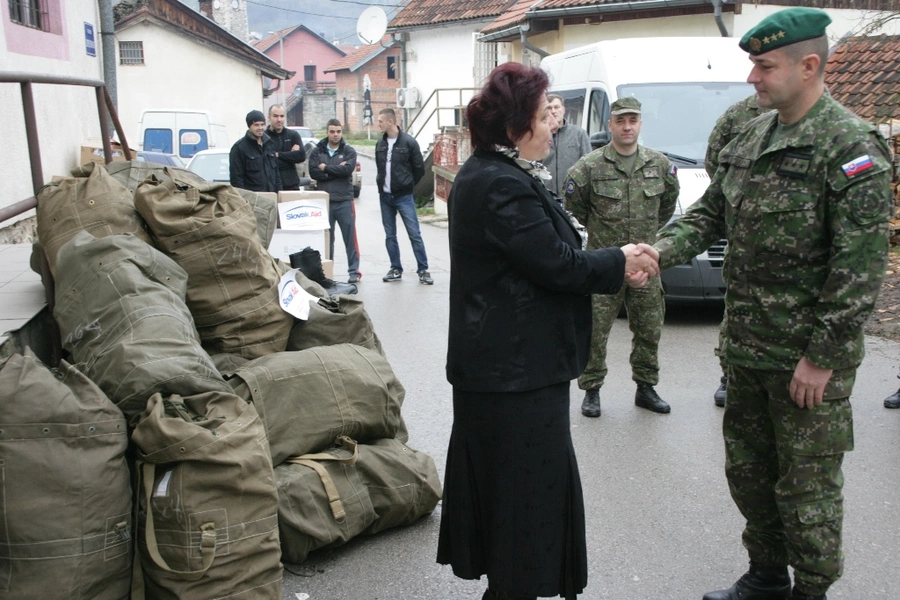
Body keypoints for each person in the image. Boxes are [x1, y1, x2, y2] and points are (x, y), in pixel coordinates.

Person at [652, 8, 893, 600]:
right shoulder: (752, 137)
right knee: (751, 475)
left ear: (808, 66)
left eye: (764, 66)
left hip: (805, 360)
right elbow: (709, 215)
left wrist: (823, 356)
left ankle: (811, 589)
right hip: (747, 348)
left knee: (807, 490)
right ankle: (765, 576)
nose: (752, 79)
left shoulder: (850, 147)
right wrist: (657, 253)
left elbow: (858, 268)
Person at [437, 61, 660, 600]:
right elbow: (558, 264)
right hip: (512, 377)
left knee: (520, 507)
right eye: (543, 116)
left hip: (511, 372)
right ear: (515, 126)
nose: (553, 126)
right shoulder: (498, 185)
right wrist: (620, 258)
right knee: (523, 507)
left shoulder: (502, 174)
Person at [564, 96, 680, 418]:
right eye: (620, 121)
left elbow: (667, 206)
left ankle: (646, 387)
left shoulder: (659, 165)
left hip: (645, 265)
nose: (627, 127)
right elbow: (575, 213)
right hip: (604, 267)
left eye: (633, 120)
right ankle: (592, 390)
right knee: (596, 330)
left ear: (640, 124)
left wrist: (649, 242)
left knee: (649, 328)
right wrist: (601, 248)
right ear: (611, 125)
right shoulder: (588, 167)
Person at [705, 94, 773, 407]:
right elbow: (717, 163)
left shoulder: (840, 132)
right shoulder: (739, 116)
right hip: (743, 242)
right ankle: (729, 373)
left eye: (765, 66)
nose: (754, 78)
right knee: (736, 308)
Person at [374, 107, 432, 285]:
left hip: (404, 196)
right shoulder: (380, 143)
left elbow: (419, 169)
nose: (378, 124)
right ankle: (395, 268)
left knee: (414, 233)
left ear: (390, 121)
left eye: (381, 121)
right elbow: (380, 167)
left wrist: (407, 184)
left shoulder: (408, 142)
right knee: (390, 235)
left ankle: (423, 270)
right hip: (385, 197)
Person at [307, 119, 361, 284]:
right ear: (327, 132)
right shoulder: (317, 151)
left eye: (338, 131)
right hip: (325, 202)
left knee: (350, 238)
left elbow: (347, 170)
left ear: (341, 132)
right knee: (327, 240)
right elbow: (313, 172)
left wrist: (326, 168)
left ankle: (354, 271)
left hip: (344, 200)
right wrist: (336, 170)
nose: (335, 135)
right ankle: (327, 272)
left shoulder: (349, 151)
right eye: (332, 131)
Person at [544, 94, 592, 199]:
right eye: (549, 108)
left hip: (573, 198)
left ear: (564, 110)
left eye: (556, 107)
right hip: (547, 198)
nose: (553, 111)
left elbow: (589, 166)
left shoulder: (578, 134)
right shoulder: (540, 136)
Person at [229, 109, 281, 192]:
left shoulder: (269, 144)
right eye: (256, 125)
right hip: (253, 198)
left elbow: (276, 174)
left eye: (262, 124)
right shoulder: (239, 148)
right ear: (249, 126)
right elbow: (237, 179)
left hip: (272, 196)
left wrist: (279, 193)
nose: (260, 128)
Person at [266, 104, 307, 191]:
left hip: (291, 186)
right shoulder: (264, 138)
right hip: (271, 187)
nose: (279, 119)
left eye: (282, 116)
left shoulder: (293, 135)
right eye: (275, 116)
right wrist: (291, 156)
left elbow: (301, 156)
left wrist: (278, 155)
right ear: (269, 117)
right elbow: (268, 162)